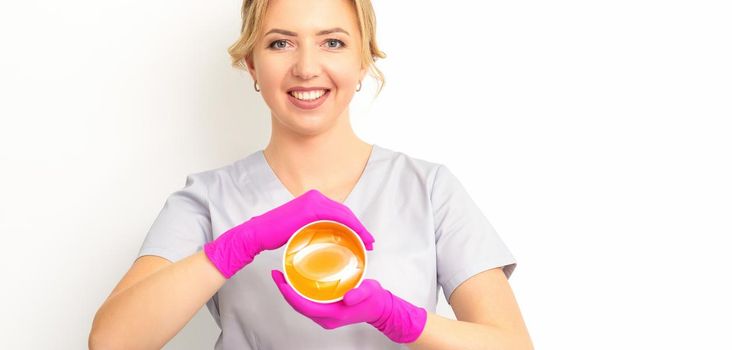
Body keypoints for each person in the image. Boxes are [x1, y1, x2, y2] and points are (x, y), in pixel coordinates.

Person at [88, 0, 533, 349]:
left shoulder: (429, 190)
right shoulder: (207, 200)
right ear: (251, 66)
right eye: (280, 43)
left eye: (333, 42)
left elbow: (512, 345)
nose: (306, 66)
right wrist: (236, 246)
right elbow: (112, 341)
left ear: (363, 59)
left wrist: (398, 317)